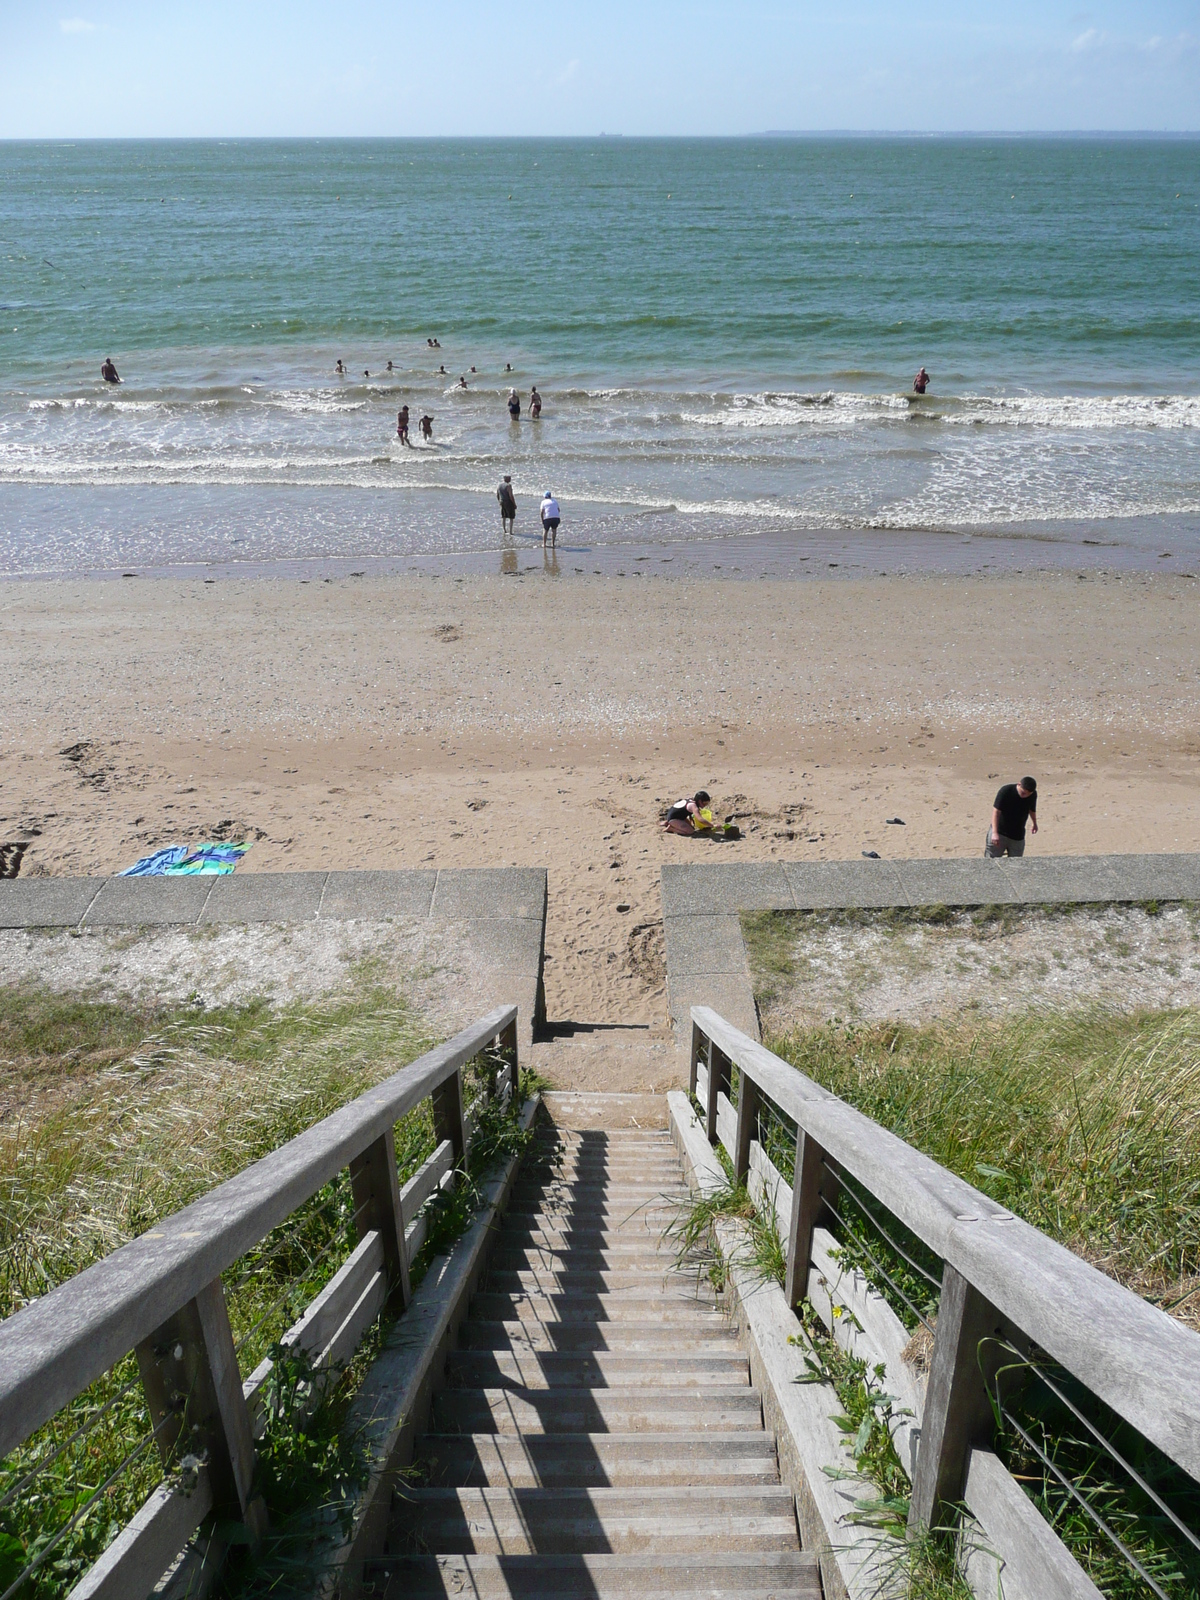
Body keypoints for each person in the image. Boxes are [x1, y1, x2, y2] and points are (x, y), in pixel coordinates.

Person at [986, 777, 1038, 857]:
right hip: (1000, 832)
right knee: (992, 862)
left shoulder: (1033, 794)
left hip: (1018, 835)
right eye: (1023, 793)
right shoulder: (1005, 791)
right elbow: (996, 812)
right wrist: (994, 833)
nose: (1025, 796)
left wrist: (1034, 823)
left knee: (1016, 864)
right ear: (1019, 784)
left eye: (1028, 794)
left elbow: (1032, 809)